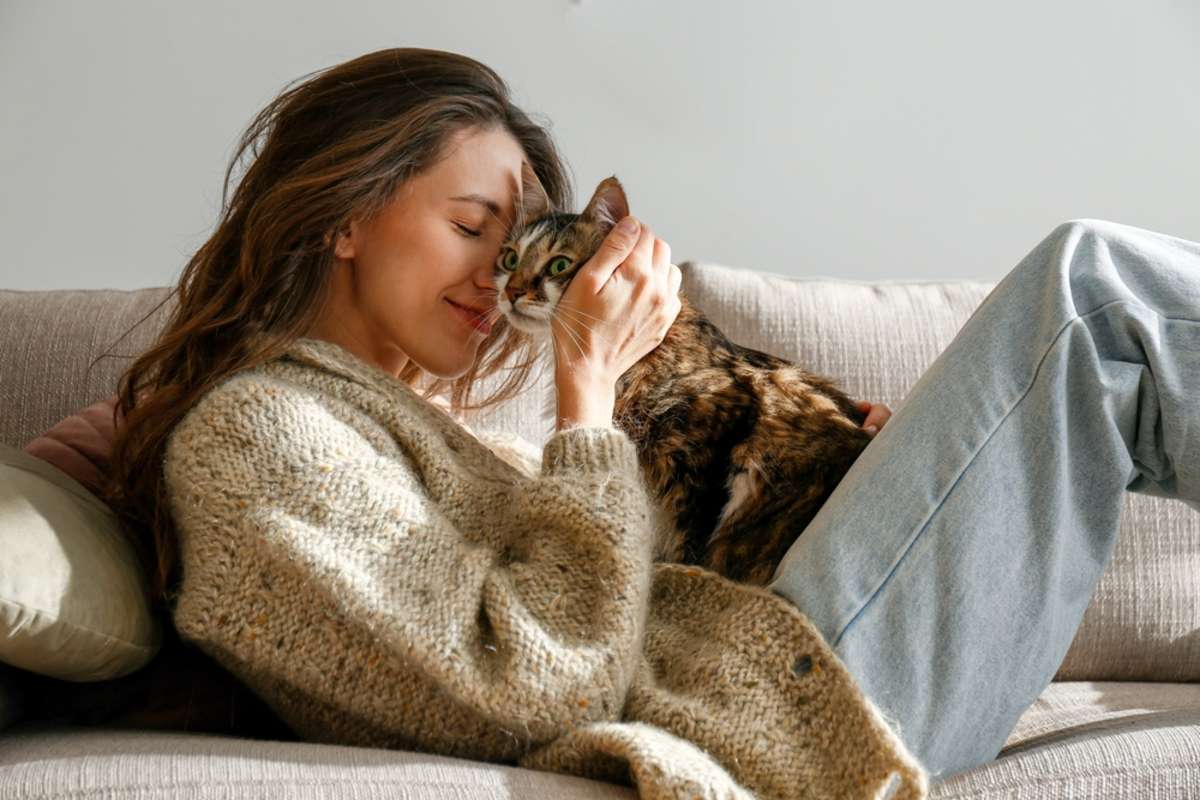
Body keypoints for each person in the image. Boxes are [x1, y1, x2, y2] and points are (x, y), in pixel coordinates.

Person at [96, 45, 1199, 797]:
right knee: (1093, 295)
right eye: (474, 225)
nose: (507, 274)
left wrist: (884, 475)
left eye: (521, 244)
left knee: (1094, 346)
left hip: (784, 650)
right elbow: (533, 681)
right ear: (344, 217)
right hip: (782, 710)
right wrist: (584, 391)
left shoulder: (377, 421)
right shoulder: (257, 435)